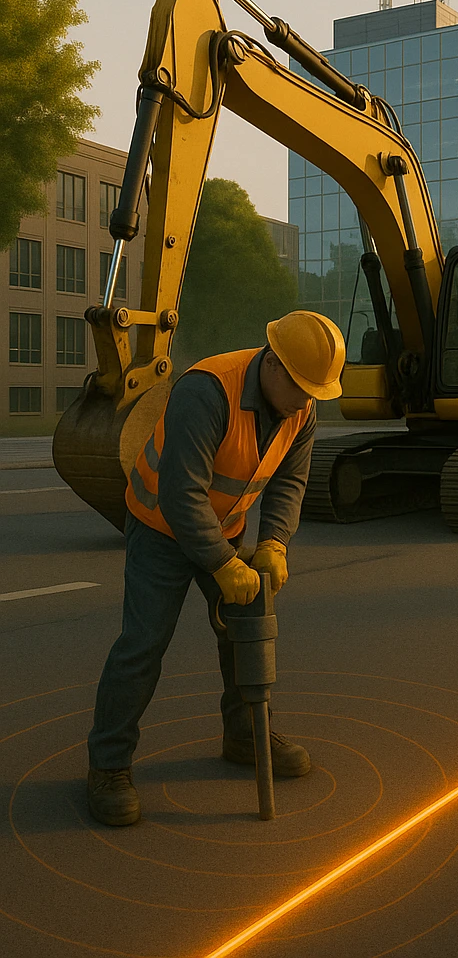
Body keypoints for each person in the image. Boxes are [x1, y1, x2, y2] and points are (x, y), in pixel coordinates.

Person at [86, 310, 346, 825]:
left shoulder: (302, 410)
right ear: (272, 364)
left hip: (224, 526)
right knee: (143, 644)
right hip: (160, 525)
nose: (308, 399)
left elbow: (290, 484)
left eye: (316, 390)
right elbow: (181, 495)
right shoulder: (206, 391)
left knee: (245, 631)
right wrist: (225, 565)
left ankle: (245, 735)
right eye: (301, 386)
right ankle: (108, 767)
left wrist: (273, 544)